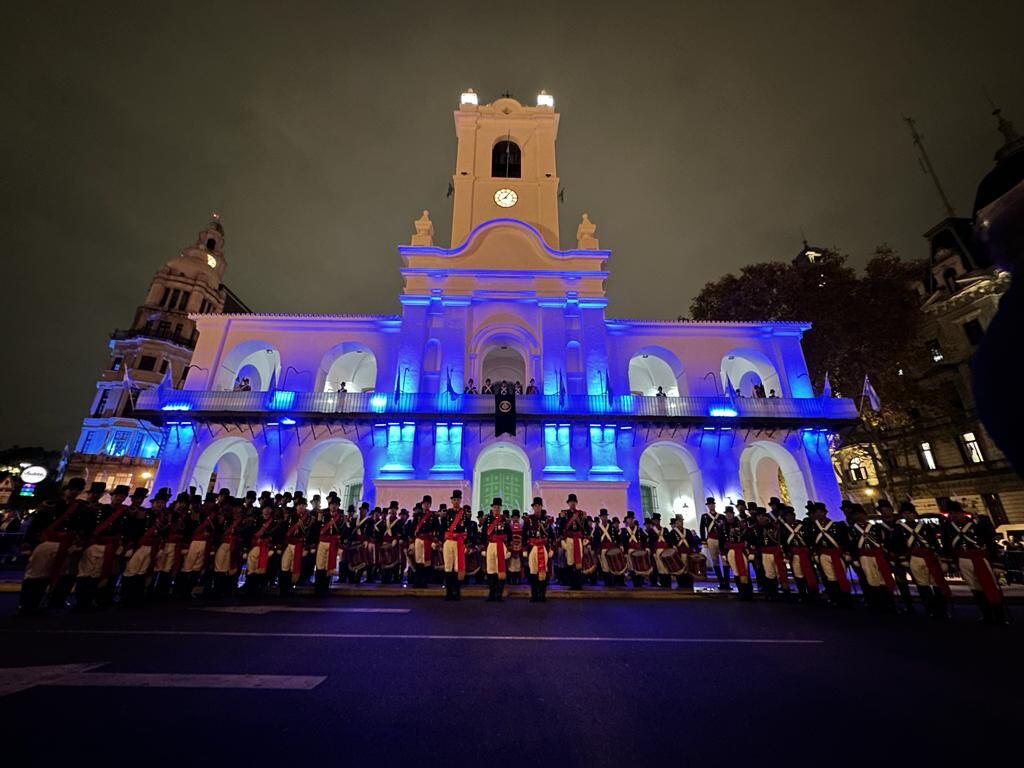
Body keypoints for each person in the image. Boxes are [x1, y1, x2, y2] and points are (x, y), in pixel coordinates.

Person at [18, 477, 87, 615]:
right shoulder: (51, 504)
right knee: (36, 575)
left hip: (66, 545)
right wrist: (28, 542)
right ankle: (28, 604)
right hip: (47, 543)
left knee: (59, 576)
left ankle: (52, 602)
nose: (74, 492)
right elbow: (36, 524)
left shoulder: (81, 508)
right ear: (66, 490)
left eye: (77, 490)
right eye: (72, 489)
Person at [942, 501, 1008, 624]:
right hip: (963, 560)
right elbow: (947, 546)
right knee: (975, 589)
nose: (952, 516)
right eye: (950, 513)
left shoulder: (977, 524)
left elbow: (990, 543)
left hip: (980, 559)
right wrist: (951, 562)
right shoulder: (948, 527)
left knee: (990, 586)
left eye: (954, 513)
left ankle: (1000, 615)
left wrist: (996, 563)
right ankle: (986, 614)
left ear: (961, 513)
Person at [894, 501, 950, 619]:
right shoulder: (899, 529)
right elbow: (898, 546)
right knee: (922, 585)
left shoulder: (925, 526)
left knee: (936, 583)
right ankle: (929, 608)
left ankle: (941, 608)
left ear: (914, 514)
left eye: (910, 513)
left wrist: (942, 558)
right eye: (905, 513)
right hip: (914, 558)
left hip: (929, 556)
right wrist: (903, 559)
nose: (908, 515)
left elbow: (934, 542)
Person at [848, 504, 897, 612]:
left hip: (878, 555)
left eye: (860, 514)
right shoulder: (852, 530)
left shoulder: (876, 528)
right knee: (871, 580)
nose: (859, 517)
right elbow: (852, 545)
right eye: (856, 515)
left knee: (883, 577)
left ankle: (889, 602)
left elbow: (883, 542)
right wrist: (854, 558)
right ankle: (877, 602)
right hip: (864, 556)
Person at [808, 501, 852, 607]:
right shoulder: (813, 528)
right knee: (830, 578)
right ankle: (835, 598)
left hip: (837, 554)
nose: (818, 514)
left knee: (841, 575)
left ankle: (846, 598)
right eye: (816, 512)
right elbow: (812, 542)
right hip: (823, 554)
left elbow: (845, 540)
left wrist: (847, 553)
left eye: (820, 512)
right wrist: (815, 554)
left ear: (825, 512)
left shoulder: (837, 525)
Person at [779, 506, 817, 601]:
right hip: (793, 554)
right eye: (787, 516)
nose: (789, 517)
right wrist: (786, 554)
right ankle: (802, 594)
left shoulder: (802, 526)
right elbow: (783, 543)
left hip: (805, 553)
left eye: (790, 515)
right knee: (797, 575)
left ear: (794, 515)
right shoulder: (783, 529)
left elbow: (809, 539)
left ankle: (813, 594)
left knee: (809, 573)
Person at [440, 490, 470, 600]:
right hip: (449, 541)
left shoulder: (464, 514)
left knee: (458, 567)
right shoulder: (447, 513)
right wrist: (441, 541)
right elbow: (442, 528)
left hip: (459, 542)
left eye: (458, 500)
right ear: (452, 501)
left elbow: (468, 528)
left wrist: (467, 543)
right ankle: (448, 592)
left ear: (460, 501)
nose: (456, 502)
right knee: (448, 566)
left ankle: (457, 592)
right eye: (454, 500)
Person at [524, 497, 554, 602]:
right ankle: (534, 595)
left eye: (539, 506)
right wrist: (524, 549)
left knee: (543, 571)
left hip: (544, 548)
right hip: (532, 548)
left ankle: (542, 595)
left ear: (541, 507)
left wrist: (552, 548)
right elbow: (524, 535)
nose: (537, 508)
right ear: (533, 507)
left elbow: (551, 535)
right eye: (535, 506)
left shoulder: (547, 520)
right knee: (533, 571)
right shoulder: (528, 520)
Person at [721, 506, 752, 600]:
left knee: (745, 570)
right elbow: (721, 540)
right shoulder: (722, 526)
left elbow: (747, 536)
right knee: (736, 571)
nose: (729, 515)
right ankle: (741, 592)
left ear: (733, 514)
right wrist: (723, 553)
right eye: (727, 514)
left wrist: (749, 549)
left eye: (730, 513)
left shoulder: (740, 524)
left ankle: (748, 591)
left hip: (741, 549)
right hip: (730, 550)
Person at [559, 494, 589, 590]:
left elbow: (586, 528)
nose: (572, 503)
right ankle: (571, 583)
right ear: (568, 503)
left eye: (574, 502)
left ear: (576, 503)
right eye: (571, 502)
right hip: (569, 539)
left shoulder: (581, 514)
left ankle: (578, 583)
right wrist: (562, 540)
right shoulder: (564, 514)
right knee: (570, 561)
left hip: (578, 539)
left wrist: (586, 539)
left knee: (579, 560)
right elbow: (561, 528)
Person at [483, 497, 511, 602]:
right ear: (492, 508)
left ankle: (499, 594)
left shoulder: (504, 520)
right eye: (494, 507)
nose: (496, 509)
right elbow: (484, 535)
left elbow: (509, 534)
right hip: (491, 545)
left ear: (500, 508)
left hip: (501, 545)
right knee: (491, 570)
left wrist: (509, 548)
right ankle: (491, 593)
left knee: (501, 570)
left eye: (498, 507)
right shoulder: (487, 520)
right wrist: (484, 547)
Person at [315, 495, 343, 596]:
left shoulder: (341, 518)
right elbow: (317, 528)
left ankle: (325, 587)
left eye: (336, 505)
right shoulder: (324, 515)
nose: (333, 506)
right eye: (332, 504)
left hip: (333, 543)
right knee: (320, 564)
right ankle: (318, 588)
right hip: (323, 542)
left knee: (328, 566)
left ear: (338, 506)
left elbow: (343, 531)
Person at [699, 497, 730, 591]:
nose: (711, 506)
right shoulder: (705, 516)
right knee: (715, 560)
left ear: (714, 505)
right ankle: (721, 581)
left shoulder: (721, 516)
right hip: (711, 539)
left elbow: (726, 528)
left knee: (724, 559)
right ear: (708, 506)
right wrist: (703, 540)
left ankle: (727, 582)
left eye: (712, 504)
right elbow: (702, 529)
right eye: (709, 505)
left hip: (721, 539)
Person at [410, 496, 437, 588]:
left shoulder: (433, 516)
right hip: (419, 539)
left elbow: (437, 528)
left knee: (426, 561)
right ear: (422, 504)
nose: (426, 505)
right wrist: (411, 542)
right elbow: (413, 528)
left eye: (428, 503)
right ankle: (417, 581)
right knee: (418, 560)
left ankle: (424, 581)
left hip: (428, 540)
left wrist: (434, 540)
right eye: (425, 503)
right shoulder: (417, 515)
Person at [620, 511, 650, 587]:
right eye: (629, 519)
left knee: (639, 566)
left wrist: (646, 548)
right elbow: (622, 542)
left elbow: (645, 539)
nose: (630, 520)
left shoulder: (639, 530)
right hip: (630, 551)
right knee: (632, 567)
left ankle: (640, 582)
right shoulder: (624, 531)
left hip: (639, 551)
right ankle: (635, 583)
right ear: (627, 520)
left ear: (633, 519)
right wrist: (625, 552)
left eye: (631, 519)